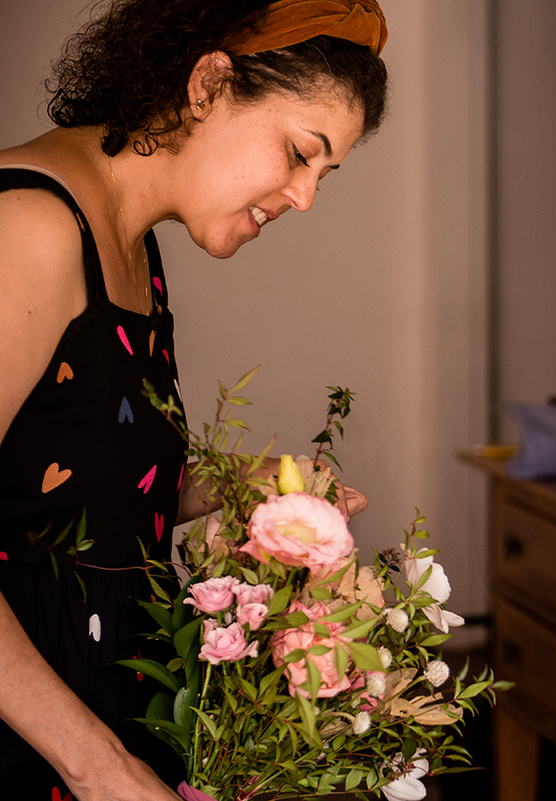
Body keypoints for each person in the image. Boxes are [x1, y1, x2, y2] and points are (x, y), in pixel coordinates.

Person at [0, 1, 387, 798]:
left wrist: (262, 487)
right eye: (299, 153)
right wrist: (98, 765)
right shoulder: (30, 227)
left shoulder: (133, 248)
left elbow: (88, 488)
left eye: (323, 175)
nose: (305, 197)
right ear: (208, 83)